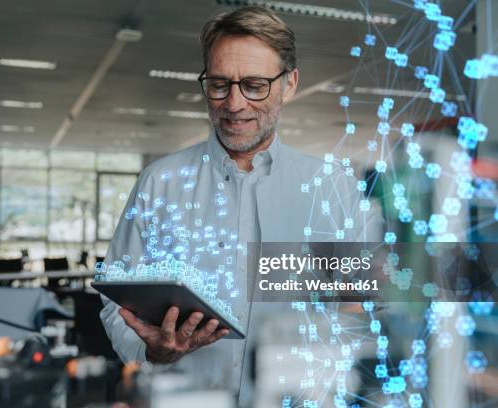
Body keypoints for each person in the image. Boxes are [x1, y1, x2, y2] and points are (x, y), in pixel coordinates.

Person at [100, 5, 382, 404]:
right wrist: (149, 350)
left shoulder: (333, 188)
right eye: (219, 84)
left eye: (254, 85)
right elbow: (116, 298)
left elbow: (362, 309)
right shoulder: (159, 183)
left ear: (289, 83)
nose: (233, 104)